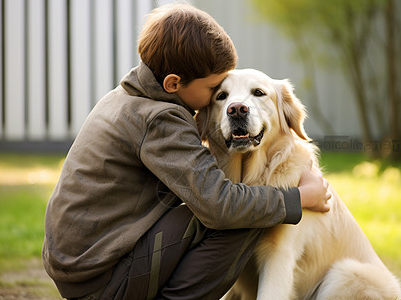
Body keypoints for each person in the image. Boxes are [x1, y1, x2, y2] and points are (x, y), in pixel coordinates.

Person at [42, 4, 331, 300]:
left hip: (82, 268)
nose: (219, 101)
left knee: (228, 205)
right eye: (214, 90)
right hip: (101, 280)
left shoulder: (124, 97)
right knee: (243, 214)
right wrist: (300, 198)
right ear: (173, 84)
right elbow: (220, 206)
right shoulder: (161, 119)